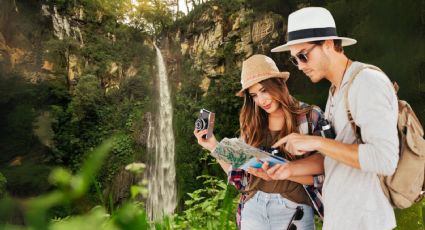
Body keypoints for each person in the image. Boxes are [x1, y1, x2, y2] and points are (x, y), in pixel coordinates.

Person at [267, 7, 399, 230]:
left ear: (328, 44)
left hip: (366, 222)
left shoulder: (367, 82)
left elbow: (385, 159)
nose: (299, 66)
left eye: (303, 55)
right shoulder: (336, 91)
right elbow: (335, 159)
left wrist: (317, 142)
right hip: (340, 220)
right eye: (294, 60)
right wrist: (288, 169)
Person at [194, 54, 324, 230]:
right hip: (253, 208)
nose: (261, 100)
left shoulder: (310, 116)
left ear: (279, 84)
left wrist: (281, 172)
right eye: (254, 95)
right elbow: (238, 175)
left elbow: (325, 171)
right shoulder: (253, 124)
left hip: (293, 209)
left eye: (264, 90)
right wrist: (213, 146)